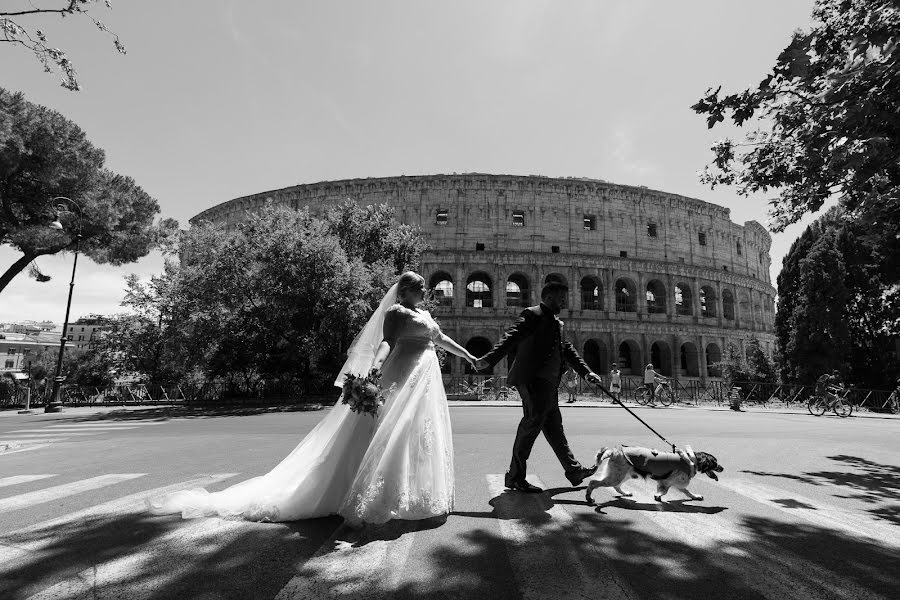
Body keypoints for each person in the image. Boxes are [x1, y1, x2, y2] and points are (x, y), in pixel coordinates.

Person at [147, 272, 477, 526]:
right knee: (389, 435)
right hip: (402, 379)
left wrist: (470, 358)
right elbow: (387, 343)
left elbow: (442, 338)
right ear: (404, 290)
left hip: (424, 384)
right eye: (419, 288)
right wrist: (374, 371)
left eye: (423, 289)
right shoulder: (396, 312)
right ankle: (367, 494)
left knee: (417, 436)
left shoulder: (423, 313)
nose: (425, 292)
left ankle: (414, 494)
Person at [474, 281, 602, 493]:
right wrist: (489, 360)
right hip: (533, 380)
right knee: (531, 425)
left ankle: (573, 470)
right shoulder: (532, 314)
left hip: (548, 383)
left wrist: (586, 372)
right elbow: (512, 336)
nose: (564, 302)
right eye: (561, 298)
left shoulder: (557, 324)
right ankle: (515, 476)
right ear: (549, 297)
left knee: (554, 428)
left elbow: (568, 350)